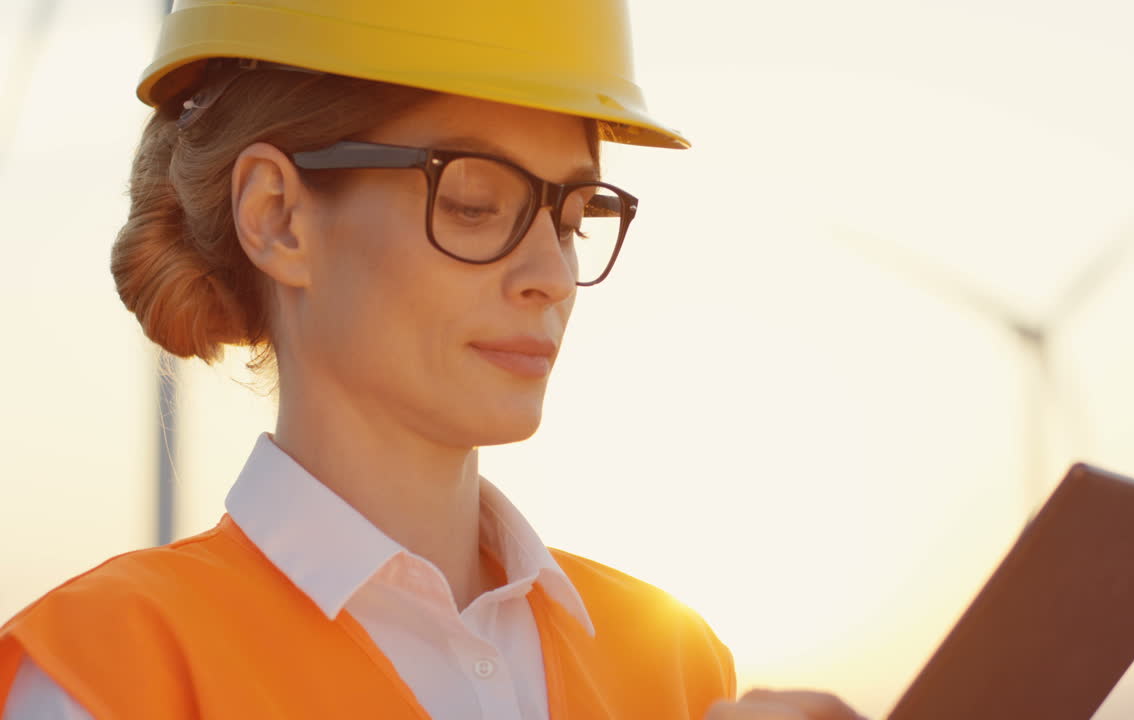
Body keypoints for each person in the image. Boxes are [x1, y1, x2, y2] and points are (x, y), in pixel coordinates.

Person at [0, 2, 863, 718]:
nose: (551, 277)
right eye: (477, 204)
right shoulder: (111, 678)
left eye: (572, 215)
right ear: (278, 217)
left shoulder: (675, 667)